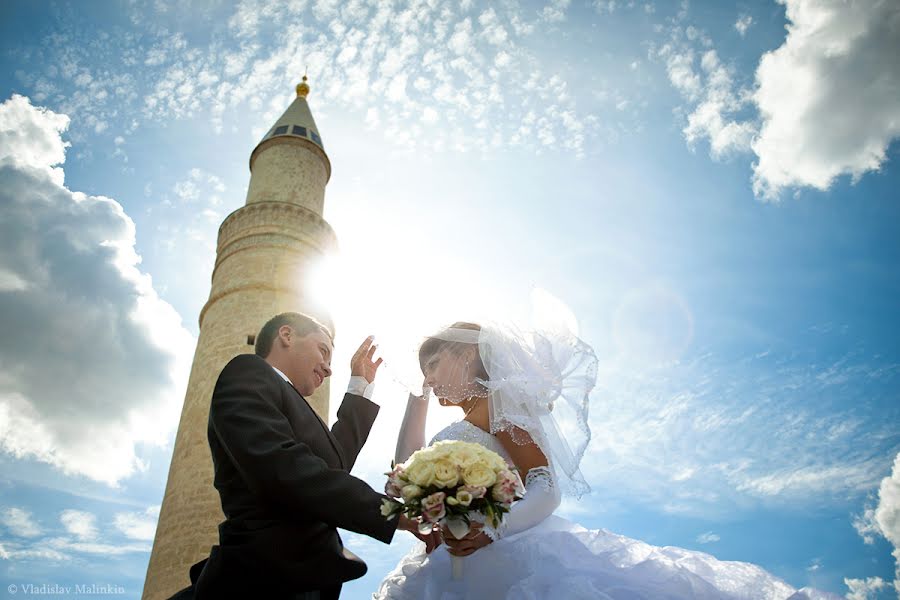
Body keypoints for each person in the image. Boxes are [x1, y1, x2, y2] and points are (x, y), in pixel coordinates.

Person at [375, 316, 839, 600]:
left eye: (433, 365)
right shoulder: (454, 420)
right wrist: (416, 400)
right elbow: (408, 469)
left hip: (504, 551)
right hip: (447, 558)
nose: (429, 378)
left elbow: (546, 487)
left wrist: (493, 528)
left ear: (467, 355)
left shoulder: (503, 409)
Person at [171, 312, 437, 600]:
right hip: (260, 578)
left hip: (305, 581)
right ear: (286, 336)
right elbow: (286, 471)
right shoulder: (248, 370)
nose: (328, 368)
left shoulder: (293, 404)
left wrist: (359, 385)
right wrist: (393, 513)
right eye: (323, 350)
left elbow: (332, 466)